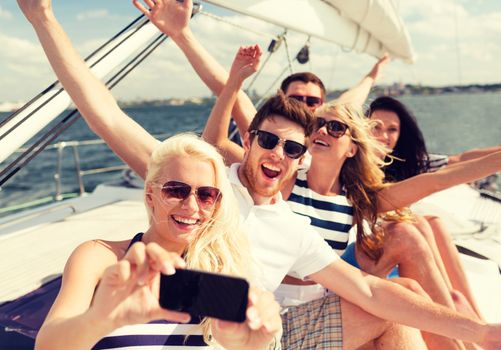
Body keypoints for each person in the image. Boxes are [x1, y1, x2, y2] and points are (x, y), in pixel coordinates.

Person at [21, 1, 501, 349]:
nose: (277, 152)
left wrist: (480, 331)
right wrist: (43, 17)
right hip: (214, 318)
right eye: (267, 139)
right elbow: (107, 115)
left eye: (292, 147)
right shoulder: (212, 187)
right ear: (247, 140)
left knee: (393, 304)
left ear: (301, 158)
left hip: (258, 329)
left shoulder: (293, 225)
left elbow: (369, 289)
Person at [34, 132, 282, 350]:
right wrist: (101, 319)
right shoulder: (100, 258)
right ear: (150, 195)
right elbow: (47, 345)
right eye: (176, 190)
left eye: (206, 195)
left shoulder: (221, 270)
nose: (191, 206)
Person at [365, 95, 501, 318]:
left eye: (392, 130)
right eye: (376, 127)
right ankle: (457, 311)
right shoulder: (351, 160)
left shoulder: (406, 163)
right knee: (418, 222)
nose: (384, 136)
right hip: (372, 231)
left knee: (434, 222)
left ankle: (468, 310)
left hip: (396, 228)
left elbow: (458, 161)